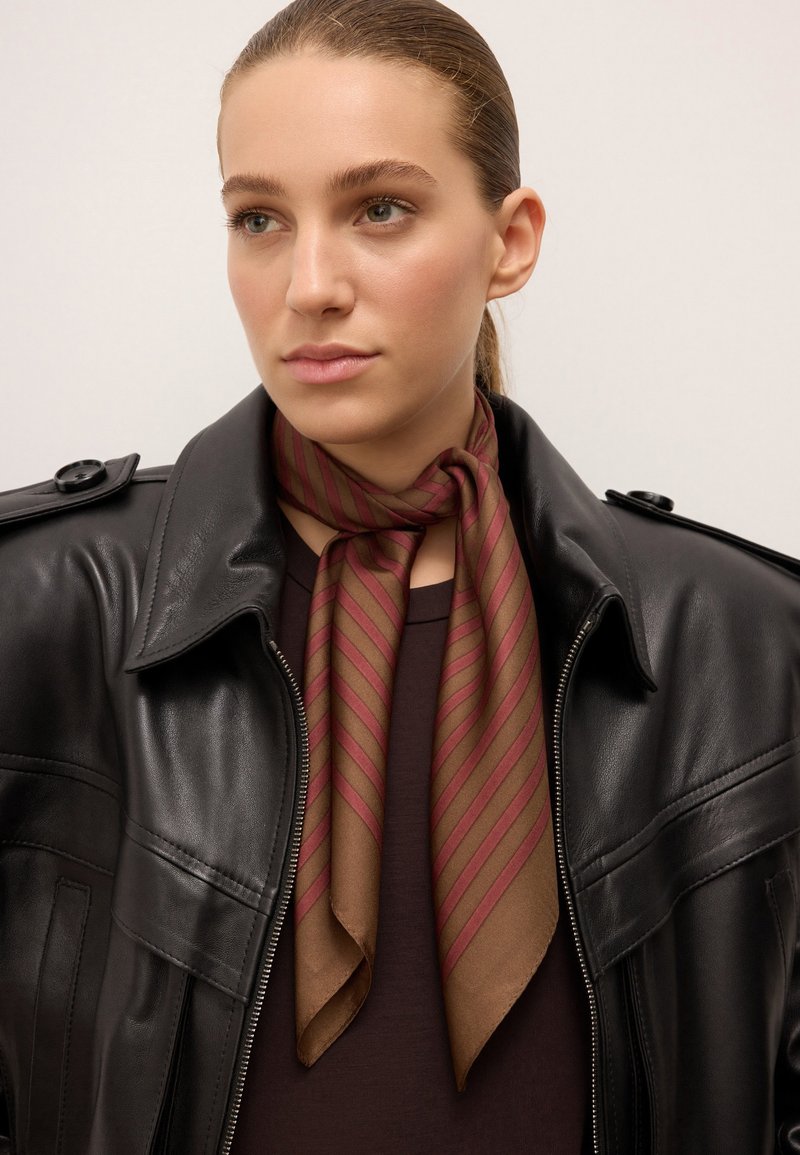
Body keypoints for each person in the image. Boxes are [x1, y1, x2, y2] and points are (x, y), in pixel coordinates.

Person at [0, 0, 798, 1151]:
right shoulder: (43, 607)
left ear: (509, 241)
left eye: (379, 209)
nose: (308, 284)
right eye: (259, 218)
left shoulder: (742, 643)